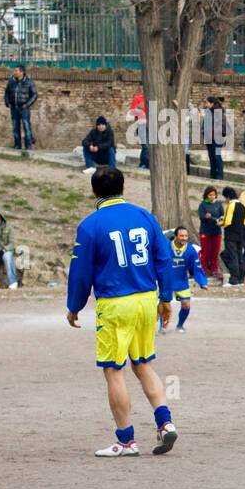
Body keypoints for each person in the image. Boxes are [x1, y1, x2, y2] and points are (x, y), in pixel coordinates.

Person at [65, 166, 178, 456]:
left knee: (114, 371)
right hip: (145, 300)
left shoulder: (90, 225)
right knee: (143, 365)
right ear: (124, 187)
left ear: (94, 192)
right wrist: (166, 298)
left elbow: (80, 272)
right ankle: (165, 423)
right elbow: (164, 259)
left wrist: (74, 307)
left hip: (115, 304)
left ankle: (126, 440)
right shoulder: (145, 216)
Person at [165, 227, 208, 333]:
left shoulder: (190, 249)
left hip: (181, 280)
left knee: (186, 304)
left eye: (186, 236)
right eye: (181, 236)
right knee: (164, 305)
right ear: (175, 237)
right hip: (167, 281)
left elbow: (197, 266)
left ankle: (179, 326)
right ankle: (163, 327)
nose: (184, 238)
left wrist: (202, 282)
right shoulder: (166, 247)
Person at [4, 64, 36, 151]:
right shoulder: (12, 81)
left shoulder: (29, 81)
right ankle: (17, 145)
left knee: (26, 127)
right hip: (14, 107)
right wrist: (7, 103)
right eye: (15, 71)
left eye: (16, 71)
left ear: (22, 72)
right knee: (15, 127)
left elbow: (34, 94)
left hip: (24, 108)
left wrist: (27, 104)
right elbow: (6, 93)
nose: (15, 72)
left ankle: (28, 146)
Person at [220, 186, 245, 286]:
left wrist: (220, 223)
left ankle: (233, 279)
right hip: (240, 234)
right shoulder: (242, 206)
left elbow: (227, 221)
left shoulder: (231, 205)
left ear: (228, 197)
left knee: (232, 256)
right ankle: (241, 279)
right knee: (240, 257)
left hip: (231, 235)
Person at [197, 186, 224, 280]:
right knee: (205, 253)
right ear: (206, 195)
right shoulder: (203, 205)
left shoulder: (218, 204)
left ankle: (214, 270)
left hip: (216, 232)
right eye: (210, 195)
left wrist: (220, 221)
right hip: (205, 232)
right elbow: (201, 217)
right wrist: (205, 216)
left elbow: (222, 215)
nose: (212, 196)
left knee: (215, 253)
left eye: (213, 195)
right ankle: (203, 271)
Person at [203, 97, 227, 179]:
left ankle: (220, 175)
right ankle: (212, 174)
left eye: (207, 103)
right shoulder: (208, 112)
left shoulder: (219, 112)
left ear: (212, 103)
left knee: (217, 156)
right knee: (211, 157)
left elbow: (223, 126)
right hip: (209, 138)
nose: (206, 105)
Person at [129, 91, 149, 169]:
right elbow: (132, 113)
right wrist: (138, 108)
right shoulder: (137, 98)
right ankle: (147, 164)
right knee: (145, 145)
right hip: (141, 125)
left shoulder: (153, 98)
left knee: (148, 146)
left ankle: (142, 164)